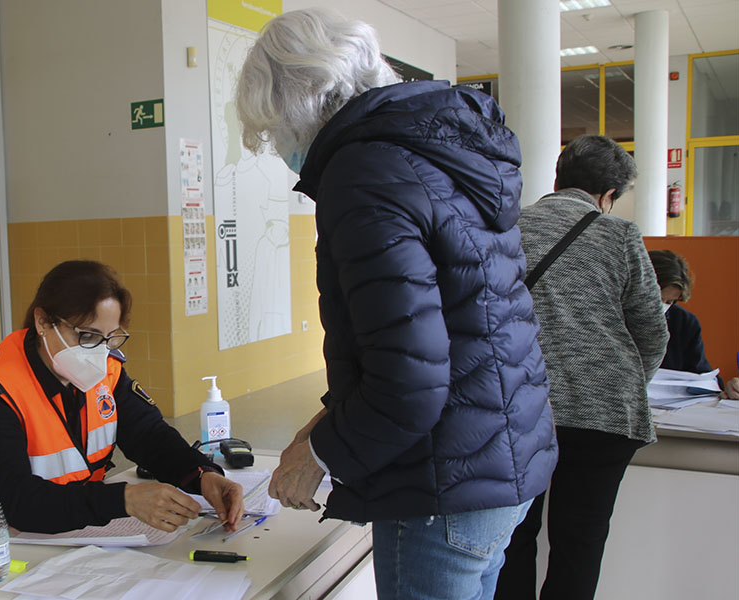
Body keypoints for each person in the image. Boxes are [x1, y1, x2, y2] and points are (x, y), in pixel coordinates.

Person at [234, 9, 556, 599]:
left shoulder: (364, 172)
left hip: (442, 482)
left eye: (274, 129)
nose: (279, 147)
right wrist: (327, 417)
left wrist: (322, 455)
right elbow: (453, 328)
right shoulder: (441, 151)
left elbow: (409, 382)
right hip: (500, 457)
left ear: (301, 102)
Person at [0, 260, 244, 544]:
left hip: (71, 531)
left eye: (110, 338)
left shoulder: (105, 373)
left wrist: (203, 475)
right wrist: (124, 499)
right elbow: (18, 502)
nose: (99, 353)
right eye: (87, 336)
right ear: (43, 322)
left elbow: (150, 436)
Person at [496, 135, 670, 600]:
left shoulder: (507, 226)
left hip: (518, 409)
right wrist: (626, 380)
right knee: (579, 542)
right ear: (608, 195)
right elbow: (653, 331)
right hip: (602, 417)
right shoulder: (619, 234)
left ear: (558, 178)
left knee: (512, 538)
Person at [649, 249, 739, 399]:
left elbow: (701, 377)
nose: (661, 308)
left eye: (670, 302)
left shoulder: (684, 322)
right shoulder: (609, 319)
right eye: (657, 299)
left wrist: (728, 388)